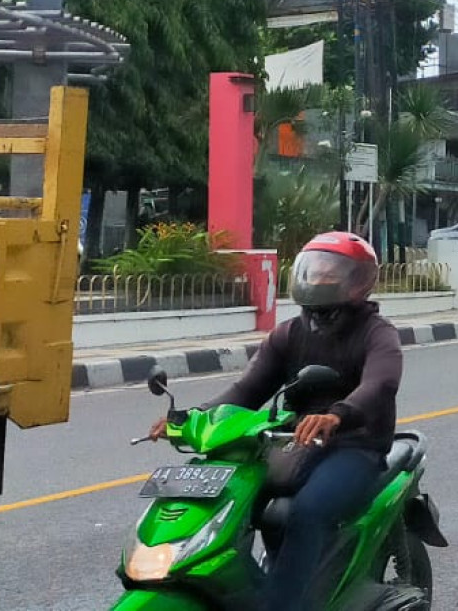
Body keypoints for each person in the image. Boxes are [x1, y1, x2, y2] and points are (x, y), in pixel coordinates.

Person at [148, 231, 402, 611]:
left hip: (355, 447)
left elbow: (380, 383)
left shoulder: (376, 334)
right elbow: (245, 390)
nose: (320, 279)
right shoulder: (289, 334)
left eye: (331, 272)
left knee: (307, 510)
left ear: (359, 280)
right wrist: (191, 418)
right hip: (291, 444)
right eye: (314, 271)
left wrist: (337, 414)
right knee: (230, 497)